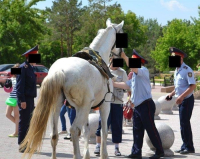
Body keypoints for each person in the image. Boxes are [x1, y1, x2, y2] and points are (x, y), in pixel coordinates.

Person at [113, 50, 164, 159]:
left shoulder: (143, 70)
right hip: (137, 107)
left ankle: (159, 151)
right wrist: (112, 83)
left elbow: (133, 68)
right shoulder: (134, 76)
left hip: (146, 105)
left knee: (151, 129)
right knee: (137, 131)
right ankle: (136, 152)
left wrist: (124, 56)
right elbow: (126, 85)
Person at [94, 56, 128, 156]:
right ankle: (98, 146)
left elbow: (126, 85)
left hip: (117, 102)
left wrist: (115, 84)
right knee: (102, 124)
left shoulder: (122, 72)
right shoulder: (104, 70)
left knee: (117, 125)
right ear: (110, 60)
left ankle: (116, 148)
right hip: (105, 102)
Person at [166, 47, 196, 154]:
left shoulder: (187, 70)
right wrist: (171, 94)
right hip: (182, 100)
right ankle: (185, 145)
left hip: (187, 100)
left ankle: (189, 147)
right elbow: (179, 87)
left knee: (185, 123)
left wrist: (181, 96)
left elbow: (192, 86)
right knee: (182, 123)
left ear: (181, 58)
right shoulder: (177, 70)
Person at [16, 45, 38, 152]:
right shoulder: (22, 68)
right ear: (29, 57)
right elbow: (19, 86)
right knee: (23, 122)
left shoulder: (30, 68)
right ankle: (21, 145)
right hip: (24, 99)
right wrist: (22, 100)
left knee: (29, 122)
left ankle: (26, 143)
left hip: (30, 99)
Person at [5, 63, 20, 137]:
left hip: (17, 100)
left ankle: (16, 132)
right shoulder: (10, 79)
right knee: (7, 114)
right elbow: (8, 89)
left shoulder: (19, 79)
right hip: (11, 99)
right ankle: (20, 127)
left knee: (16, 116)